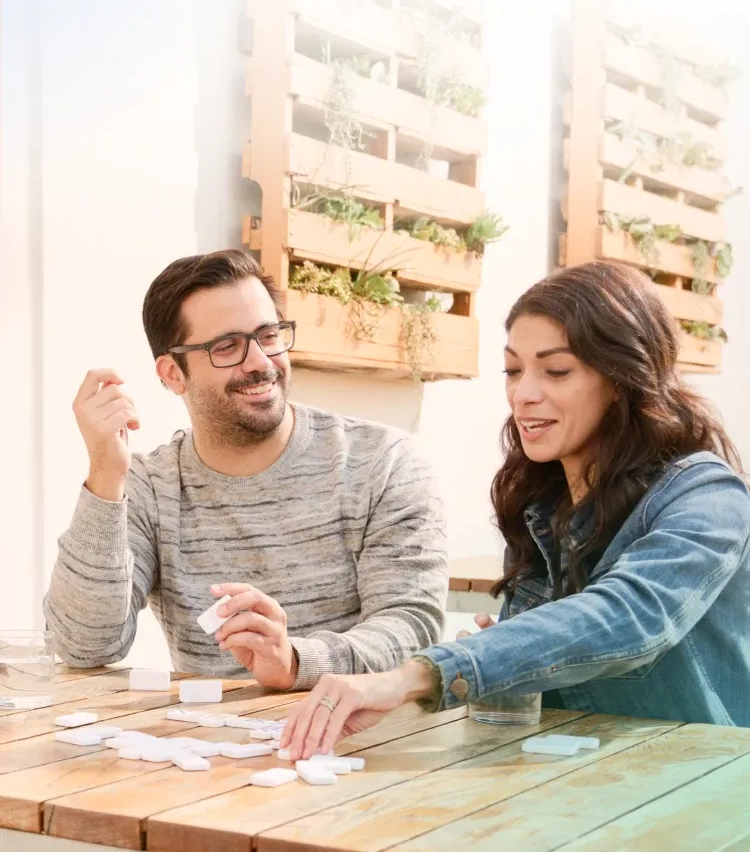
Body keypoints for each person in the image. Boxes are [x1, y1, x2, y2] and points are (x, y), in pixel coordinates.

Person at [281, 260, 750, 755]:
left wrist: (423, 673)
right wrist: (510, 663)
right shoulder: (539, 505)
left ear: (620, 379)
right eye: (512, 370)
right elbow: (565, 670)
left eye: (556, 371)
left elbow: (629, 615)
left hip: (706, 792)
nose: (522, 394)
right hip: (581, 784)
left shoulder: (707, 497)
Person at [44, 249, 448, 689]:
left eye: (269, 335)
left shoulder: (382, 462)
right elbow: (83, 646)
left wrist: (296, 661)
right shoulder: (152, 486)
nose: (259, 362)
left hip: (361, 745)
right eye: (227, 347)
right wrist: (105, 474)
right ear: (173, 374)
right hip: (207, 747)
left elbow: (413, 628)